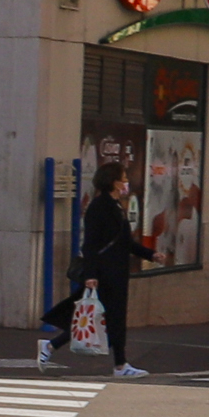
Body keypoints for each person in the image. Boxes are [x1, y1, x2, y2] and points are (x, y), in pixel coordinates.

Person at [41, 161, 154, 377]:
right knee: (100, 317)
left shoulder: (117, 206)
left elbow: (125, 242)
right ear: (113, 182)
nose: (126, 183)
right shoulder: (99, 207)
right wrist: (91, 275)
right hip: (104, 272)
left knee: (106, 318)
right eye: (123, 179)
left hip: (116, 272)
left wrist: (150, 254)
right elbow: (90, 244)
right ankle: (120, 365)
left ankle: (52, 346)